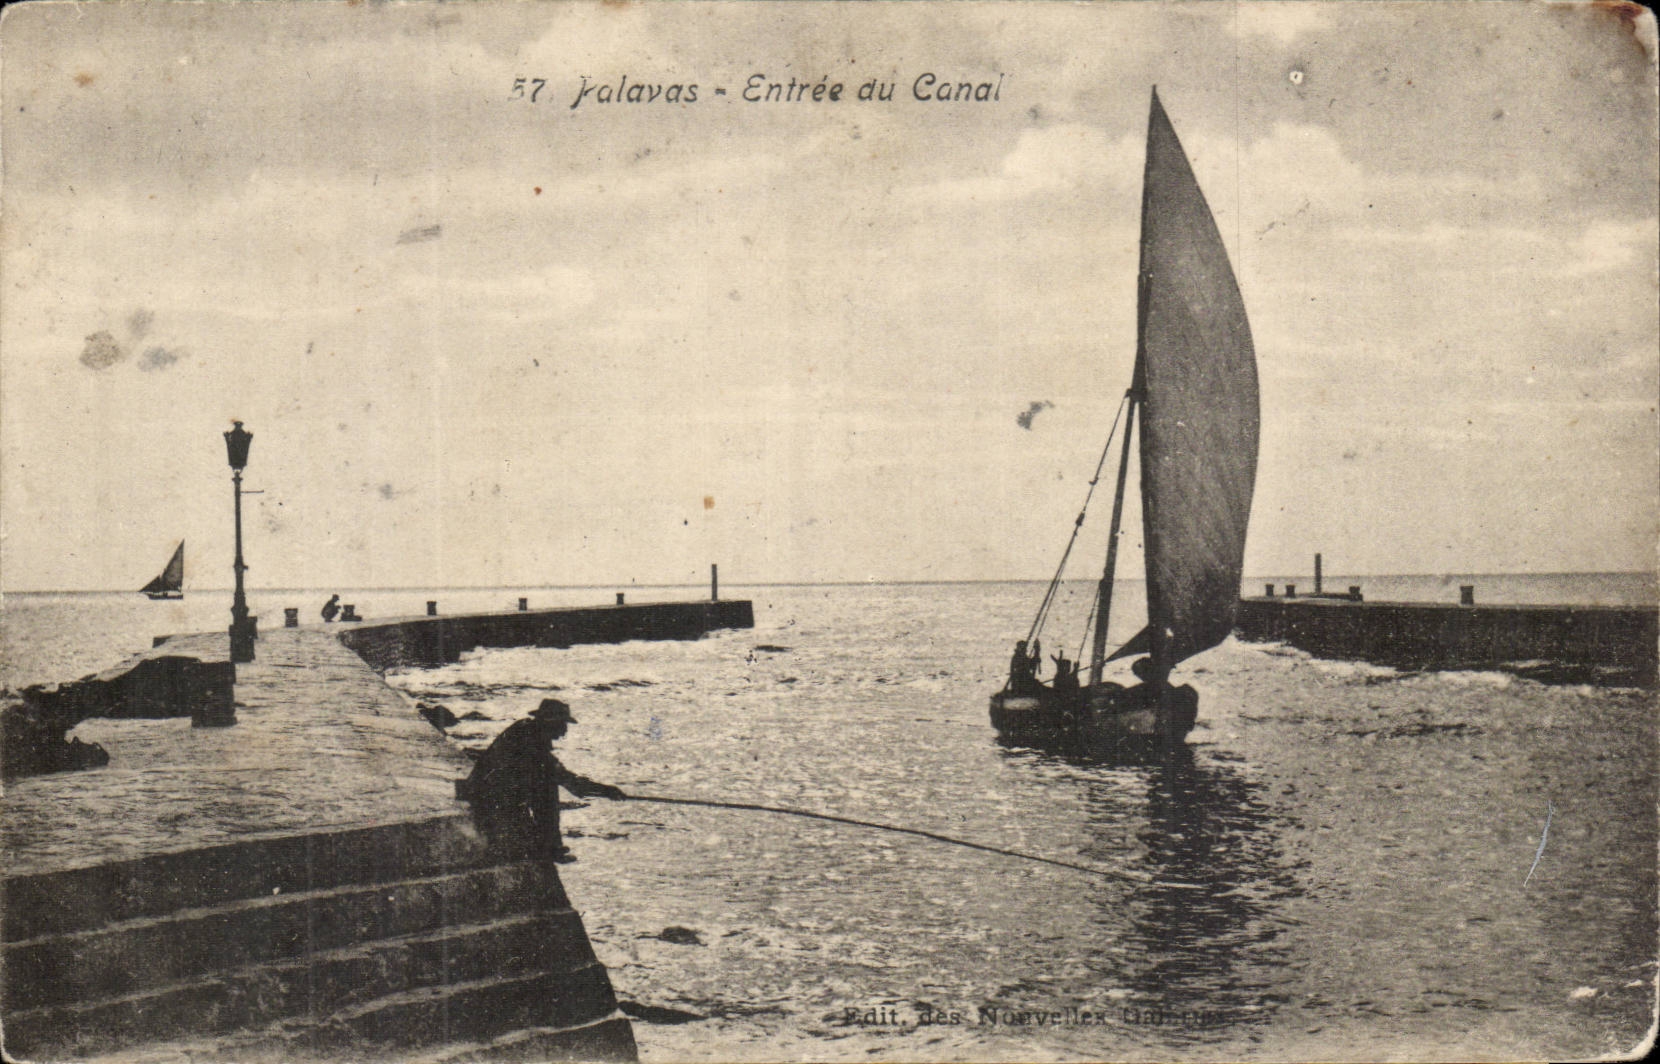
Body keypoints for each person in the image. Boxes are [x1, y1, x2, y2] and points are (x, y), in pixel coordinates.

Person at [462, 698, 625, 862]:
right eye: (563, 724)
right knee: (546, 789)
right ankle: (550, 848)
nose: (565, 731)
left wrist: (605, 790)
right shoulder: (532, 743)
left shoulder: (527, 731)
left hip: (483, 788)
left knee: (545, 783)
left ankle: (550, 846)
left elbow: (563, 777)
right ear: (550, 723)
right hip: (488, 795)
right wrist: (607, 791)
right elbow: (572, 784)